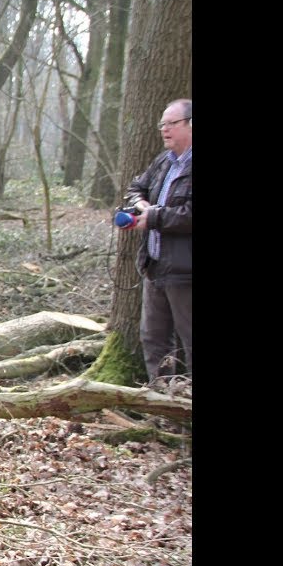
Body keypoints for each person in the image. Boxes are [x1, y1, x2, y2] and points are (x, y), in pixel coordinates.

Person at [123, 98, 191, 386]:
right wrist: (139, 203)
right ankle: (163, 399)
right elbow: (135, 187)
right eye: (162, 124)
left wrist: (154, 217)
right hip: (155, 266)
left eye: (171, 124)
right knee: (153, 339)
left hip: (186, 272)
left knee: (189, 340)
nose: (164, 130)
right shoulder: (163, 161)